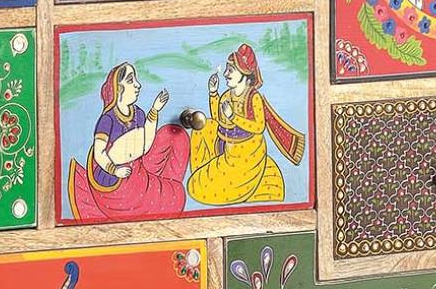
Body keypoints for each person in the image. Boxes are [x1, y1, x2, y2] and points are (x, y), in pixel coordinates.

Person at [184, 43, 307, 206]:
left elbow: (258, 127)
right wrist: (213, 93)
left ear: (244, 73)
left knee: (197, 187)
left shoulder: (253, 98)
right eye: (226, 69)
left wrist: (233, 116)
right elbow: (219, 118)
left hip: (246, 153)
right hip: (227, 146)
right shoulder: (227, 95)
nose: (226, 74)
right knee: (204, 128)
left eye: (230, 70)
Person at [65, 61, 188, 220]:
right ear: (118, 88)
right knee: (171, 197)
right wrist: (114, 170)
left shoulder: (138, 113)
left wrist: (154, 110)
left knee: (175, 136)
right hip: (115, 178)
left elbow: (145, 145)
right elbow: (99, 154)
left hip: (137, 171)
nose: (138, 85)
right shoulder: (108, 120)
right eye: (130, 80)